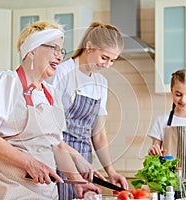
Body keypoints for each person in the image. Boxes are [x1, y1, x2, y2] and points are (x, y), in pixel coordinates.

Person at [0, 20, 103, 200]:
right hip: (12, 188)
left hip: (46, 191)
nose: (59, 56)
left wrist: (78, 182)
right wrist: (29, 163)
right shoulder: (7, 82)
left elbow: (57, 145)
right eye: (53, 48)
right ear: (32, 50)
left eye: (61, 51)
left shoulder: (52, 94)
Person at [50, 21, 128, 199]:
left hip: (86, 164)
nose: (107, 65)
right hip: (57, 159)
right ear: (90, 46)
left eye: (112, 60)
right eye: (104, 58)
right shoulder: (61, 73)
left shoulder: (101, 83)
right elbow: (51, 129)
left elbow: (98, 134)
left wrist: (111, 172)